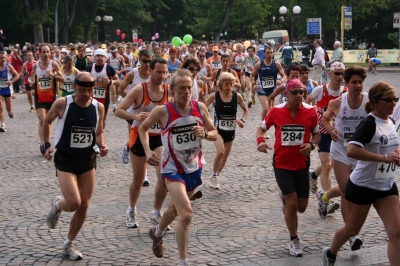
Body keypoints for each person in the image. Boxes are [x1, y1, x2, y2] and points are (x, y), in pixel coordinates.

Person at [139, 68, 217, 265]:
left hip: (194, 167)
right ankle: (184, 262)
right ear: (172, 90)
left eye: (189, 87)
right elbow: (143, 128)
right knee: (186, 213)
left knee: (174, 210)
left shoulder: (199, 107)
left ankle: (157, 233)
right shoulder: (162, 111)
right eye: (182, 88)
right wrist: (148, 152)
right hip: (172, 169)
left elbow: (215, 133)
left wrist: (205, 134)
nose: (186, 91)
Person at [322, 81, 400, 266]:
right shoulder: (368, 123)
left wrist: (394, 157)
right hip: (362, 187)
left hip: (385, 186)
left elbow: (391, 150)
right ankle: (331, 252)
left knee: (396, 232)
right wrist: (384, 158)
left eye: (395, 99)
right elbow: (352, 151)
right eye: (388, 100)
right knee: (351, 229)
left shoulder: (392, 121)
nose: (392, 103)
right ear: (375, 101)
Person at [43, 72, 108, 260]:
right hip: (65, 158)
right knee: (73, 203)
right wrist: (47, 145)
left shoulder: (99, 107)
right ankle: (58, 204)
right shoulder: (63, 104)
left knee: (84, 205)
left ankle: (68, 243)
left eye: (90, 90)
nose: (86, 94)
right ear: (74, 87)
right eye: (82, 90)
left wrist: (102, 144)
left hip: (87, 158)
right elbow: (47, 121)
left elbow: (99, 131)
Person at [256, 79, 320, 257]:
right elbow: (260, 130)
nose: (299, 95)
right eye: (295, 92)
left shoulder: (310, 112)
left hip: (301, 165)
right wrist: (260, 142)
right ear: (286, 94)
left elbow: (317, 134)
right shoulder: (275, 111)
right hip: (281, 164)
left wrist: (312, 145)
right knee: (292, 204)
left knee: (302, 207)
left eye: (301, 92)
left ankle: (286, 199)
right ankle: (294, 240)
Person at [115, 58, 169, 229]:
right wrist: (136, 117)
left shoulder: (168, 90)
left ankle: (156, 212)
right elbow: (119, 110)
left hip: (158, 137)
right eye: (158, 72)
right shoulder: (140, 89)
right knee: (138, 179)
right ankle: (131, 209)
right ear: (150, 71)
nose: (162, 75)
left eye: (164, 72)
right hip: (138, 135)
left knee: (163, 175)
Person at [319, 66, 367, 251]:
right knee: (347, 190)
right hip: (340, 150)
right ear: (347, 84)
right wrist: (332, 130)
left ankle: (324, 196)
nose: (357, 85)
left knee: (357, 188)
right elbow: (325, 119)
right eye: (354, 82)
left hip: (360, 151)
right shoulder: (338, 103)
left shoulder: (369, 101)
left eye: (360, 82)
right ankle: (351, 234)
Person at [305, 62, 347, 214]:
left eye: (342, 73)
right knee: (326, 165)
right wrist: (312, 117)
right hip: (323, 132)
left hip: (341, 135)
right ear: (330, 74)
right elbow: (308, 101)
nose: (340, 77)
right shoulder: (320, 90)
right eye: (337, 73)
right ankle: (327, 202)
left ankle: (313, 175)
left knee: (332, 164)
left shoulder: (347, 93)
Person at [205, 72, 248, 189]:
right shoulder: (215, 96)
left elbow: (245, 110)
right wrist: (206, 120)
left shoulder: (237, 96)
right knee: (221, 152)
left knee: (225, 158)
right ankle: (214, 175)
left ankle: (215, 177)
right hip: (217, 130)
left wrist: (243, 120)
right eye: (226, 84)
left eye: (231, 84)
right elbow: (203, 107)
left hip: (230, 131)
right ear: (221, 85)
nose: (229, 86)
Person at [117, 49, 152, 186]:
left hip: (147, 113)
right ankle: (129, 147)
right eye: (144, 61)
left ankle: (145, 175)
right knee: (135, 140)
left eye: (149, 61)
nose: (147, 64)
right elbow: (120, 89)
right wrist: (131, 100)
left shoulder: (152, 74)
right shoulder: (133, 73)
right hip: (132, 113)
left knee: (146, 142)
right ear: (139, 60)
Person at [30, 43, 64, 153]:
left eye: (48, 52)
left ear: (50, 53)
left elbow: (63, 79)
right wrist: (32, 85)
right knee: (42, 118)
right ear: (39, 53)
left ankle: (47, 142)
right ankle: (43, 143)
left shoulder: (54, 64)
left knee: (48, 120)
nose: (46, 54)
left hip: (51, 97)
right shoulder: (35, 65)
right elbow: (32, 74)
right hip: (40, 97)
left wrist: (53, 75)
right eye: (43, 52)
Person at [250, 46, 286, 123]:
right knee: (265, 108)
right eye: (268, 53)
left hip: (272, 90)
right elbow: (252, 75)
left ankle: (266, 124)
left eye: (271, 53)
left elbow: (284, 76)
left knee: (270, 110)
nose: (269, 54)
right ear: (264, 53)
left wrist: (281, 80)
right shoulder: (259, 64)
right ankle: (263, 126)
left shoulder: (276, 64)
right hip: (262, 89)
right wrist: (253, 84)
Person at [87, 48, 120, 129]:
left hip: (104, 98)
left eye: (102, 56)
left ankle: (100, 133)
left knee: (102, 118)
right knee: (90, 116)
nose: (100, 58)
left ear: (105, 58)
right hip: (91, 97)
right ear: (94, 57)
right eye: (98, 56)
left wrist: (110, 82)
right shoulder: (90, 67)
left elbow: (118, 80)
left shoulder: (108, 68)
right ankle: (92, 131)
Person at [0, 51, 20, 132]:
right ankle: (3, 124)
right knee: (1, 107)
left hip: (7, 90)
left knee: (9, 112)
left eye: (4, 58)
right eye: (1, 58)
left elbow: (17, 75)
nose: (2, 59)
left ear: (6, 58)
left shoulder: (9, 66)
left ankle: (10, 112)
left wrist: (11, 81)